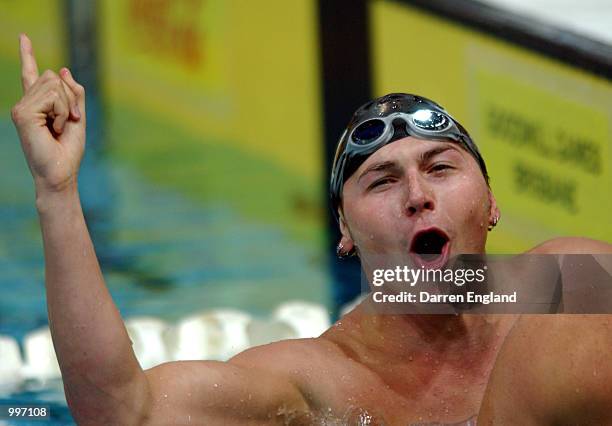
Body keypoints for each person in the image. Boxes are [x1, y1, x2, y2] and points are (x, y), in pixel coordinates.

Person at [11, 34, 612, 425]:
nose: (418, 196)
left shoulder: (569, 292)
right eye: (381, 181)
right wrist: (57, 192)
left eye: (441, 168)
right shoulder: (319, 385)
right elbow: (122, 412)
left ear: (491, 203)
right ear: (345, 234)